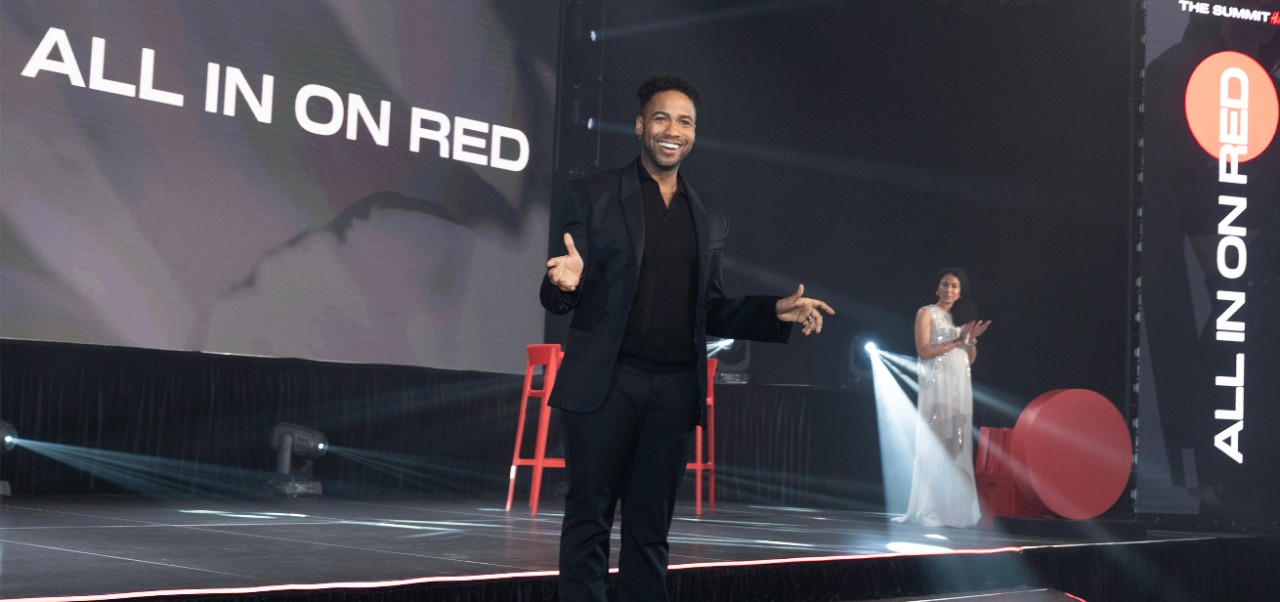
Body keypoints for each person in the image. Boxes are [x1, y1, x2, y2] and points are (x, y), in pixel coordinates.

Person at [540, 75, 835, 601]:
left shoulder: (708, 215)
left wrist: (775, 312)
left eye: (684, 121)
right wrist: (562, 283)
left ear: (694, 134)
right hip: (606, 385)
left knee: (651, 534)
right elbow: (564, 282)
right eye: (661, 118)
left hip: (673, 391)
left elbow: (710, 310)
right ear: (639, 126)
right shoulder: (591, 194)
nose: (672, 130)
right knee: (588, 522)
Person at [893, 268, 989, 528]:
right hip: (936, 384)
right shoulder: (926, 313)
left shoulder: (964, 316)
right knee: (934, 442)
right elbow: (924, 351)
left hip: (960, 384)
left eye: (955, 286)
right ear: (937, 288)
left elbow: (970, 359)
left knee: (955, 444)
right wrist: (958, 341)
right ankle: (929, 507)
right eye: (945, 284)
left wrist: (968, 342)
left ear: (961, 291)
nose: (949, 290)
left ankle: (954, 509)